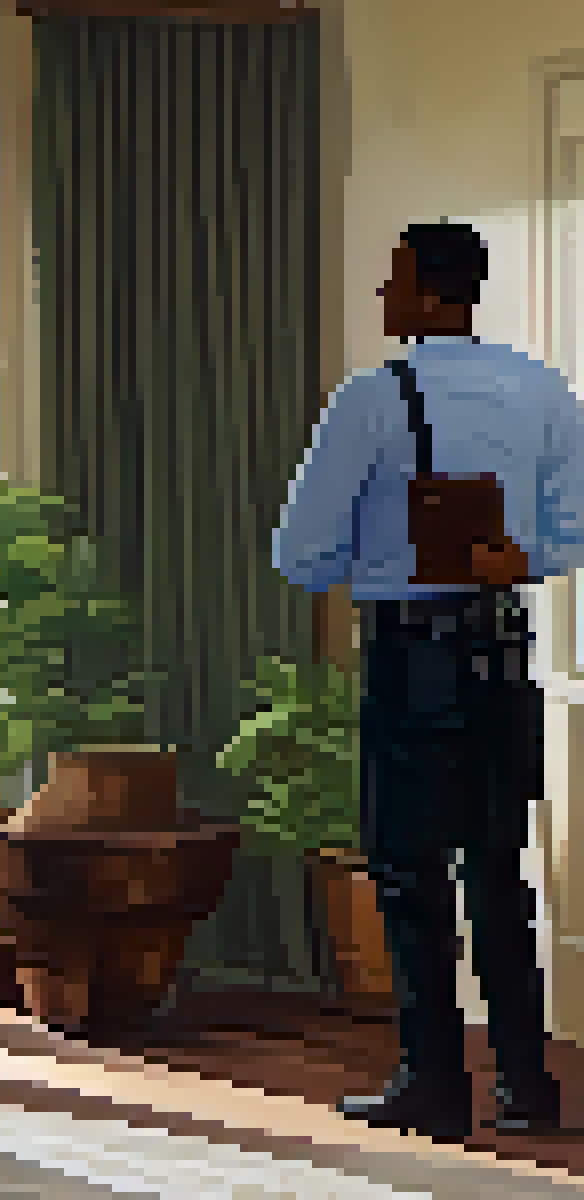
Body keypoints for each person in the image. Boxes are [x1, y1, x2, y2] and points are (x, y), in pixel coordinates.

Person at [274, 222, 583, 1139]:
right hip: (506, 653)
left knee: (411, 878)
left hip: (414, 658)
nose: (383, 295)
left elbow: (301, 553)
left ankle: (434, 1084)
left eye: (393, 278)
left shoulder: (373, 398)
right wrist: (517, 557)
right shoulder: (542, 390)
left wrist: (380, 555)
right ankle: (527, 1085)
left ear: (423, 290)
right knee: (497, 871)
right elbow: (573, 528)